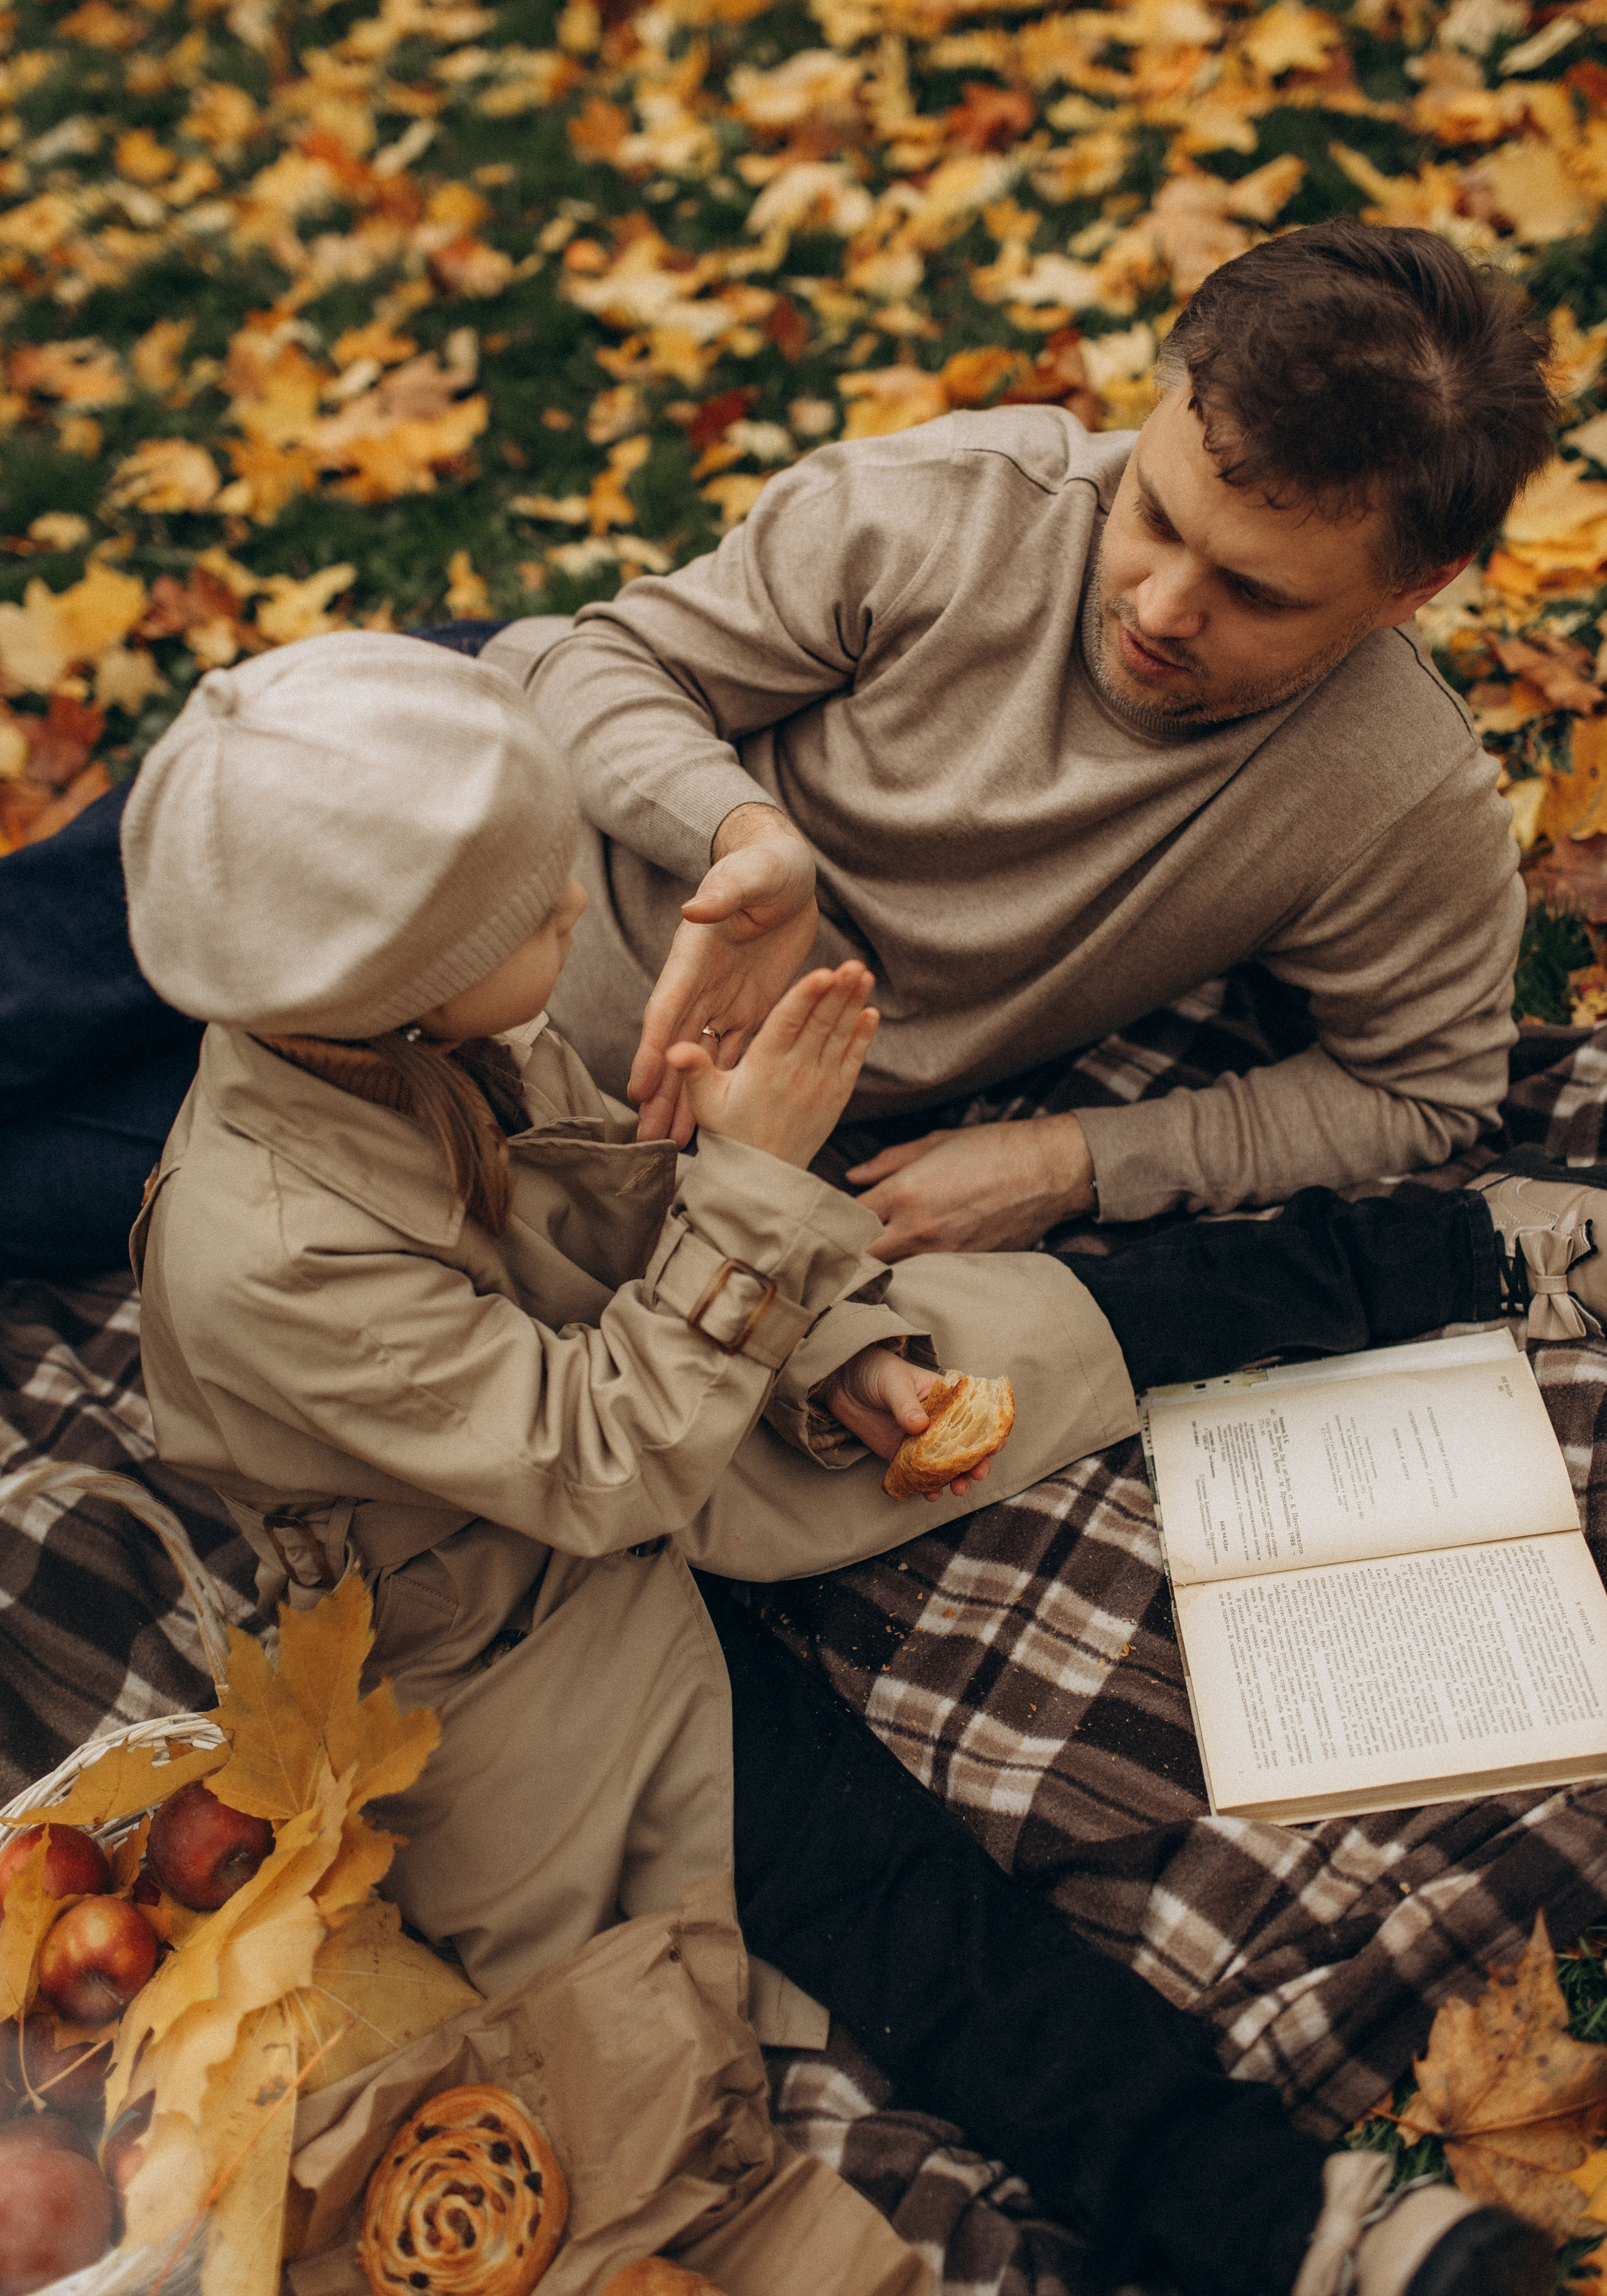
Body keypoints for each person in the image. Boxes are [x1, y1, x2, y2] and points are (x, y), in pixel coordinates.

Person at [120, 631, 1593, 2296]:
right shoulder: (260, 1251)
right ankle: (1285, 2225)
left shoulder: (405, 1037)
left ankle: (1474, 1258)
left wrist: (823, 1327)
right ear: (394, 973)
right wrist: (750, 1194)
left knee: (1030, 1326)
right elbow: (598, 1466)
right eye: (537, 914)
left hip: (659, 1372)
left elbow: (592, 1212)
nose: (571, 924)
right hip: (499, 1603)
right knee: (870, 1893)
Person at [472, 220, 1553, 1263]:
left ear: (1416, 587)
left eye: (1256, 593)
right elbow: (602, 665)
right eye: (1156, 518)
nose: (1162, 608)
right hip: (468, 856)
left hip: (660, 1146)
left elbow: (1424, 1090)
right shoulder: (948, 510)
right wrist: (743, 838)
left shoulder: (1398, 795)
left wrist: (1067, 1162)